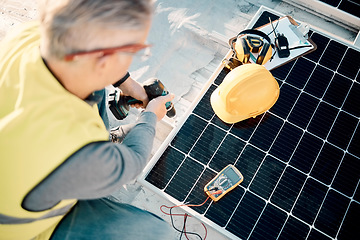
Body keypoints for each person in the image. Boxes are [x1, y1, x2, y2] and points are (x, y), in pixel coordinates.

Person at [0, 0, 176, 239]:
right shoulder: (74, 147)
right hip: (27, 229)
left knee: (95, 89)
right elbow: (133, 162)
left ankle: (103, 145)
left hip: (31, 166)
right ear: (104, 61)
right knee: (154, 233)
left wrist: (127, 84)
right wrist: (150, 116)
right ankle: (103, 151)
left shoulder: (26, 38)